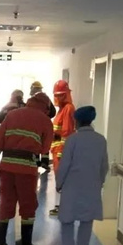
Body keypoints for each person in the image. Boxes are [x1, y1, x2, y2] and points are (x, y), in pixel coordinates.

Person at [0, 92, 53, 245]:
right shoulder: (45, 120)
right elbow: (45, 148)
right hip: (27, 169)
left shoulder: (12, 115)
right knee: (28, 205)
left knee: (5, 203)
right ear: (46, 107)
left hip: (6, 168)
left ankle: (1, 244)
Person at [55, 105, 109, 245]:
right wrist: (100, 181)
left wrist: (59, 182)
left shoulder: (73, 139)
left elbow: (65, 164)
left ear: (77, 121)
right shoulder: (100, 140)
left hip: (72, 185)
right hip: (92, 185)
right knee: (87, 219)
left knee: (67, 219)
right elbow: (104, 165)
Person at [49, 80, 76, 216]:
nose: (57, 98)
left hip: (61, 150)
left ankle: (65, 207)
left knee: (64, 179)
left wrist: (63, 153)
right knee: (60, 179)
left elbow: (67, 132)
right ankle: (62, 206)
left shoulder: (68, 109)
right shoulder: (62, 109)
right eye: (56, 95)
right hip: (57, 150)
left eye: (60, 95)